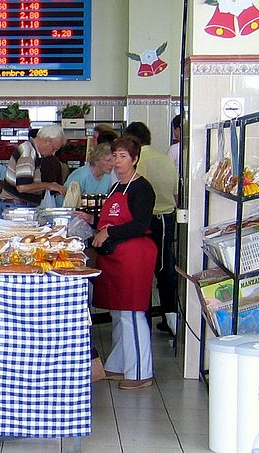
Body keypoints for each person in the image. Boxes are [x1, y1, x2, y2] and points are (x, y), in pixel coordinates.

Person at [78, 135, 158, 390]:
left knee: (132, 314)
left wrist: (109, 233)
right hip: (116, 258)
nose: (117, 161)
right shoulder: (115, 187)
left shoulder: (142, 188)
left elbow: (140, 225)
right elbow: (108, 219)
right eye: (114, 156)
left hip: (135, 256)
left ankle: (140, 372)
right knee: (119, 313)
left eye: (123, 156)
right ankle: (118, 363)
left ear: (134, 159)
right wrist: (91, 222)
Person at [125, 121, 178, 336]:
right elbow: (175, 189)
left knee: (145, 270)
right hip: (166, 218)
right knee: (164, 269)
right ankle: (170, 318)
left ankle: (144, 317)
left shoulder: (138, 162)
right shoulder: (164, 158)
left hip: (148, 219)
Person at [0, 124, 66, 214]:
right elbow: (22, 187)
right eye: (54, 149)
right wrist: (49, 185)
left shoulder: (32, 150)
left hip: (17, 205)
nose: (53, 154)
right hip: (17, 207)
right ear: (47, 141)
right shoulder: (28, 153)